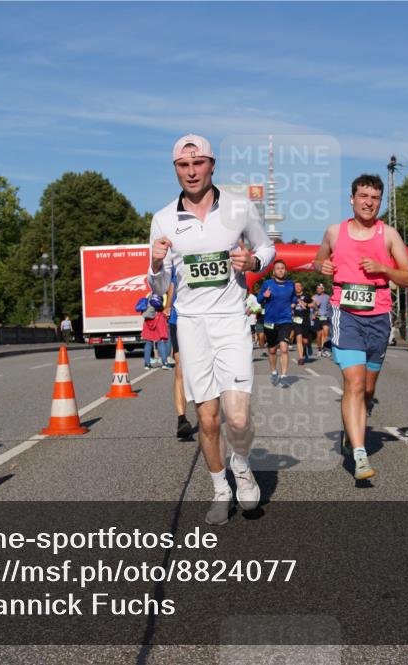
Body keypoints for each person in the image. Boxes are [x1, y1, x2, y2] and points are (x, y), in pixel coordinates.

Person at [148, 134, 275, 525]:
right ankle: (220, 489)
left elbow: (267, 248)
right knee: (207, 419)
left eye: (198, 163)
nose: (191, 171)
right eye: (183, 166)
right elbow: (158, 287)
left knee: (237, 418)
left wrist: (252, 261)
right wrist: (154, 265)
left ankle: (241, 466)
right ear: (175, 170)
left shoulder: (238, 207)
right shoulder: (163, 219)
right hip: (191, 325)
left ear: (211, 164)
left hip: (232, 321)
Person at [315, 174, 408, 481]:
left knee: (368, 389)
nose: (368, 202)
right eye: (363, 196)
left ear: (380, 202)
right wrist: (324, 266)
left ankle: (352, 426)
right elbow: (318, 260)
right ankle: (359, 455)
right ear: (352, 199)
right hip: (345, 315)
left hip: (379, 316)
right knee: (354, 384)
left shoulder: (389, 235)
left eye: (374, 198)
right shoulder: (335, 232)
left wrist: (384, 268)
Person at [256, 260, 296, 387]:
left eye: (282, 268)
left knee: (284, 348)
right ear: (274, 271)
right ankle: (274, 372)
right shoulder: (267, 283)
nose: (280, 270)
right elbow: (258, 299)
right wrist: (264, 295)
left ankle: (284, 376)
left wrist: (295, 302)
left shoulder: (291, 284)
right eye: (278, 268)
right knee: (272, 350)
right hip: (270, 321)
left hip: (285, 320)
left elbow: (293, 297)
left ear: (285, 270)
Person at [167, 275, 194, 439]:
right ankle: (181, 419)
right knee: (180, 368)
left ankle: (209, 414)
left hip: (205, 319)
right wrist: (168, 306)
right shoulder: (177, 257)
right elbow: (172, 285)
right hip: (178, 320)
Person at [140, 294, 168, 369]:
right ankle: (164, 363)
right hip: (159, 319)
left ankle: (147, 364)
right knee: (161, 341)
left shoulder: (149, 294)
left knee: (148, 342)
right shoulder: (163, 294)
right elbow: (165, 306)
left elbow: (144, 307)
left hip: (148, 320)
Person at [291, 282, 314, 365]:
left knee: (305, 340)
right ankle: (301, 358)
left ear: (302, 287)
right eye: (295, 286)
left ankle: (307, 346)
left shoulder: (306, 295)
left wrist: (306, 304)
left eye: (298, 286)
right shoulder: (292, 296)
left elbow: (313, 304)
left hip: (305, 319)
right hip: (296, 319)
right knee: (298, 338)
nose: (297, 287)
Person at [312, 282, 332, 358]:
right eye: (317, 288)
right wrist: (313, 313)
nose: (318, 290)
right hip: (317, 317)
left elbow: (330, 307)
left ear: (323, 289)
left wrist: (330, 315)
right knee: (319, 336)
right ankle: (319, 349)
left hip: (325, 317)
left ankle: (324, 349)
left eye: (319, 288)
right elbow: (311, 307)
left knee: (325, 333)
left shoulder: (327, 297)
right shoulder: (314, 297)